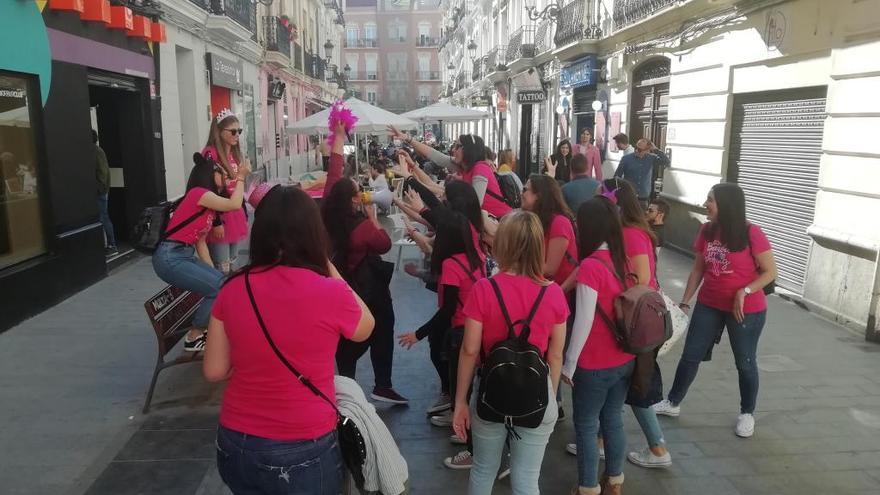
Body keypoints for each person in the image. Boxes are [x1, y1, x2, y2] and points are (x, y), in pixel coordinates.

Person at [204, 183, 375, 495]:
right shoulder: (330, 292)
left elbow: (214, 370)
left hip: (237, 442)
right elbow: (366, 327)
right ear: (314, 233)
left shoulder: (232, 288)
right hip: (303, 443)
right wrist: (326, 263)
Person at [452, 211, 568, 495]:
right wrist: (548, 398)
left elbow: (469, 350)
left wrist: (460, 402)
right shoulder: (553, 293)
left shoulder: (484, 289)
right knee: (527, 479)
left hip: (492, 394)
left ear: (502, 244)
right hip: (536, 394)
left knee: (482, 470)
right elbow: (555, 356)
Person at [654, 183, 777, 438]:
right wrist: (685, 301)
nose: (704, 204)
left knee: (745, 362)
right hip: (709, 304)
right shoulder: (707, 230)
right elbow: (698, 268)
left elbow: (770, 272)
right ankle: (673, 402)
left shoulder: (752, 232)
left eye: (710, 200)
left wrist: (745, 291)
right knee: (691, 355)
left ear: (726, 205)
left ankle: (747, 413)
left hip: (746, 309)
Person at [322, 122, 409, 405]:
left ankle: (346, 384)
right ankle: (381, 385)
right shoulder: (361, 227)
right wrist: (373, 219)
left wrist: (337, 137)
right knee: (380, 327)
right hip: (366, 289)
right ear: (351, 200)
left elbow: (334, 172)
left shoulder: (326, 214)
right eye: (357, 192)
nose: (361, 194)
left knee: (344, 333)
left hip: (336, 285)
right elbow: (383, 244)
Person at [563, 197, 636, 495]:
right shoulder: (623, 260)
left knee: (586, 425)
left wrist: (569, 364)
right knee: (613, 419)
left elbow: (583, 322)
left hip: (593, 365)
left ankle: (588, 488)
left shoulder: (591, 266)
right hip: (625, 359)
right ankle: (615, 482)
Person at [152, 152, 250, 352]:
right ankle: (194, 336)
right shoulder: (198, 194)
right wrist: (241, 177)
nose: (224, 177)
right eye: (220, 172)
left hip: (182, 255)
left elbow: (201, 243)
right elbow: (234, 204)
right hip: (170, 257)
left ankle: (210, 330)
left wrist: (212, 272)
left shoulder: (207, 204)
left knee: (223, 284)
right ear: (209, 173)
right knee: (219, 288)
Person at [203, 109, 249, 275]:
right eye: (233, 131)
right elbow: (210, 189)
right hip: (219, 216)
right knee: (221, 268)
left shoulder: (235, 155)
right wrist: (216, 222)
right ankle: (219, 298)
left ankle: (229, 297)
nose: (237, 135)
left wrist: (244, 210)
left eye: (239, 131)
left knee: (232, 265)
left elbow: (237, 186)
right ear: (219, 131)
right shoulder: (211, 154)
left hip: (235, 213)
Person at [457, 134, 513, 220]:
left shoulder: (480, 168)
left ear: (468, 150)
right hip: (489, 219)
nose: (453, 150)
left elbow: (476, 204)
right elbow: (442, 159)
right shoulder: (468, 168)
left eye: (457, 147)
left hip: (499, 221)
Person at [613, 139, 669, 208]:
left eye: (639, 150)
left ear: (647, 150)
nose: (636, 150)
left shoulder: (651, 158)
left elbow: (666, 161)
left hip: (643, 198)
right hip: (629, 197)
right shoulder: (626, 159)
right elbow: (617, 176)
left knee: (641, 218)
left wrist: (656, 149)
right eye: (636, 148)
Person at [93, 129, 117, 255]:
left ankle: (112, 245)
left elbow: (102, 172)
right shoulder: (96, 150)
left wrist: (99, 189)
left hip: (100, 191)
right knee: (102, 217)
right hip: (101, 190)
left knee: (103, 217)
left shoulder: (96, 151)